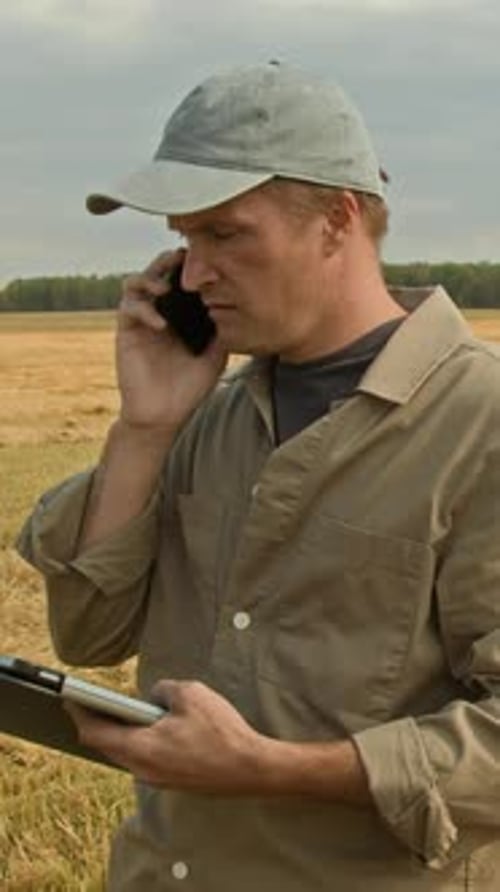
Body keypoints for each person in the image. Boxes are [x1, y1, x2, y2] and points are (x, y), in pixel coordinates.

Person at [17, 62, 500, 891]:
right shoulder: (209, 410)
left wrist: (271, 767)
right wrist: (146, 429)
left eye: (226, 234)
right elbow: (88, 634)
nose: (194, 274)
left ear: (336, 220)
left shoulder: (479, 426)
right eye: (184, 239)